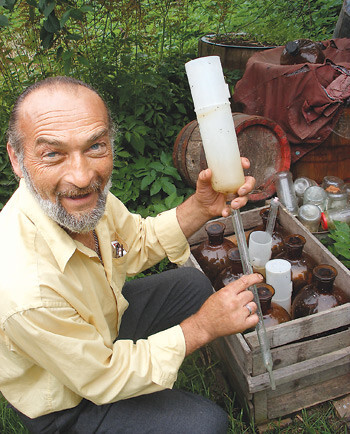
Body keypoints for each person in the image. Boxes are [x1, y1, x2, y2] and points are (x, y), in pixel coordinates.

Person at [0, 76, 261, 433]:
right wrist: (200, 328)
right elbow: (102, 376)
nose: (80, 175)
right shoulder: (27, 290)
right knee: (206, 424)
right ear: (17, 158)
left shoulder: (86, 201)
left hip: (102, 327)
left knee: (192, 284)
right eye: (52, 154)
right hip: (69, 399)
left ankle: (148, 373)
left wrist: (200, 206)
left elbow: (132, 243)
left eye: (95, 147)